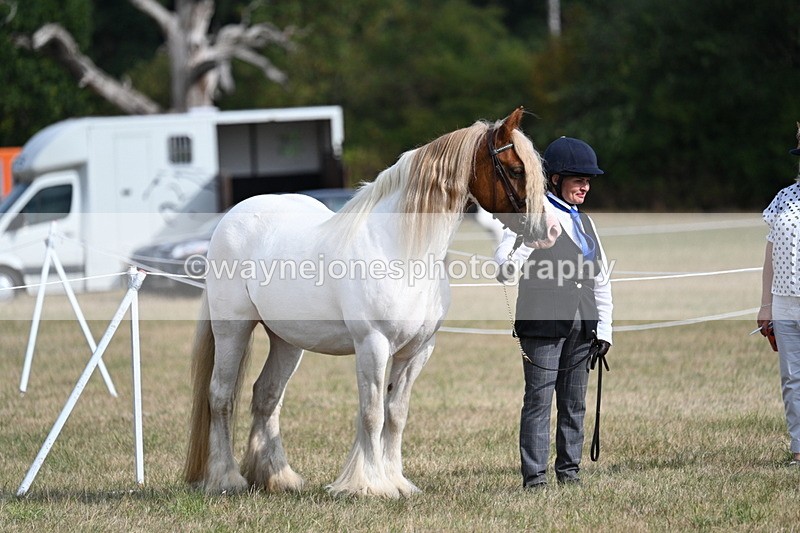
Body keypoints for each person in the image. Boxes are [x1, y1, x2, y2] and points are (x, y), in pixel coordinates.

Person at [495, 136, 613, 488]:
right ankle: (535, 478)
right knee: (539, 401)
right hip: (543, 322)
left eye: (588, 180)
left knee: (574, 402)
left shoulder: (586, 223)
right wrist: (530, 245)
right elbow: (502, 269)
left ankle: (569, 471)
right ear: (557, 179)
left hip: (583, 322)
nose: (585, 187)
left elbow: (602, 277)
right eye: (578, 179)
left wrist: (604, 329)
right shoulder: (528, 215)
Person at [757, 128, 800, 467]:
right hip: (784, 301)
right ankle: (799, 448)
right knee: (791, 378)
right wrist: (765, 303)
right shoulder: (784, 198)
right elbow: (770, 252)